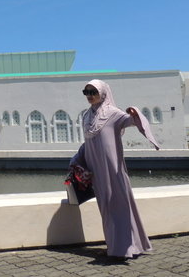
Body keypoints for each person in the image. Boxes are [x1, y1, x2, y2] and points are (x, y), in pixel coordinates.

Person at [70, 79, 159, 260]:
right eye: (86, 92)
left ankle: (126, 248)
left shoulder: (112, 113)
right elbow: (88, 143)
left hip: (113, 170)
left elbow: (130, 121)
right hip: (97, 172)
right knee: (107, 209)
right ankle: (115, 247)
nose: (89, 96)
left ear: (102, 93)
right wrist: (77, 161)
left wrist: (134, 112)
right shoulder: (87, 116)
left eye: (93, 92)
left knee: (120, 205)